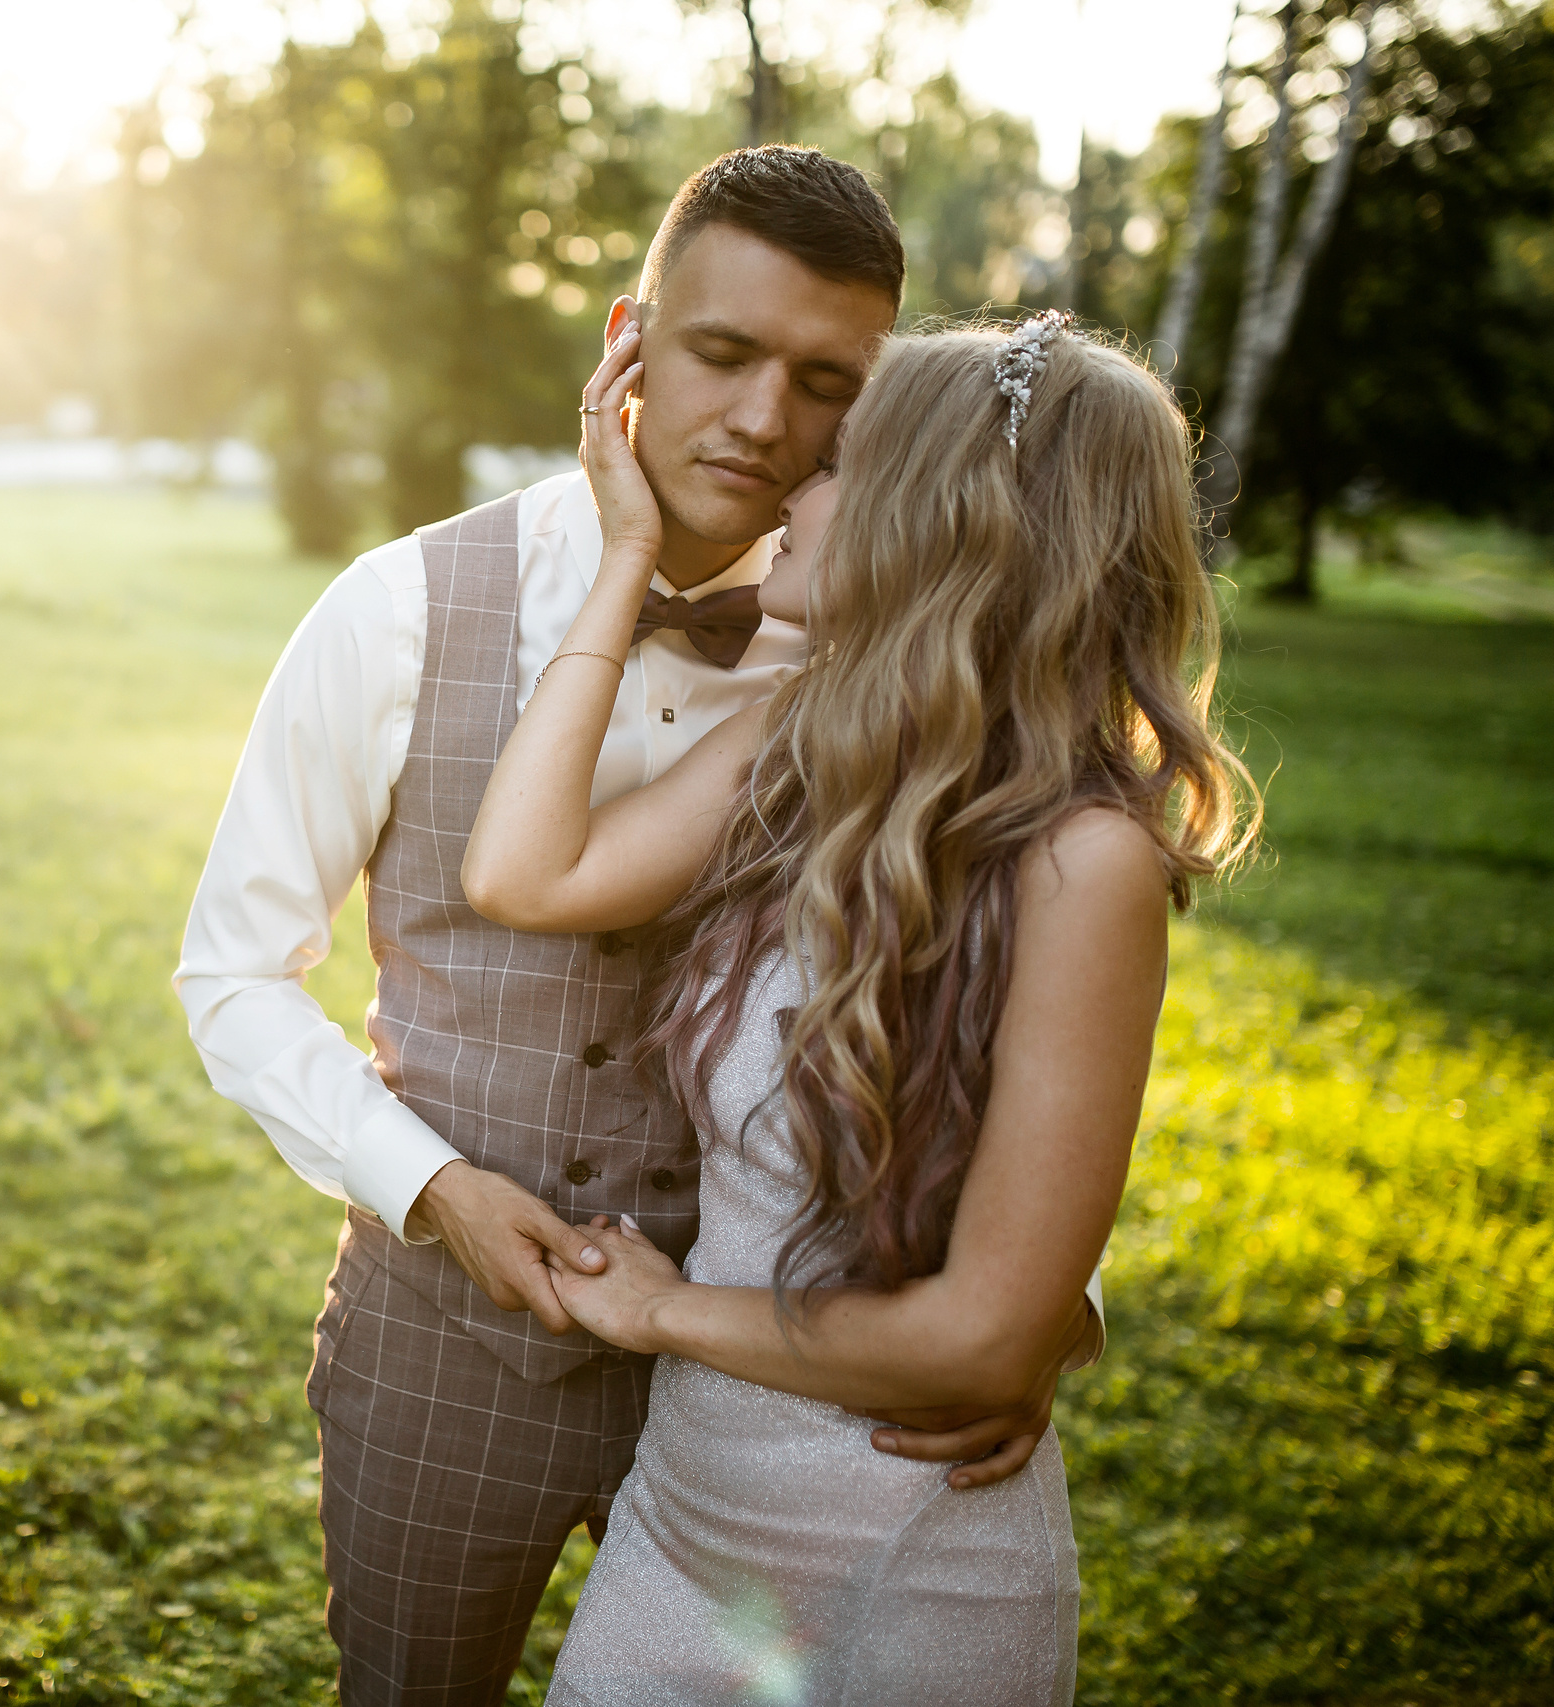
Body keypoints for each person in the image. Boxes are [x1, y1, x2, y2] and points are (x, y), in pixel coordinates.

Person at [176, 148, 1096, 1706]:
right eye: (722, 354)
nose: (761, 419)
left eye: (826, 383)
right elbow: (235, 977)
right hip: (445, 1356)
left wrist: (1022, 1322)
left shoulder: (876, 668)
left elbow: (1007, 1024)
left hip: (769, 1396)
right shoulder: (397, 612)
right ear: (633, 339)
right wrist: (436, 1188)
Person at [457, 311, 1256, 1702]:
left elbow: (983, 1337)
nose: (792, 488)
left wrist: (661, 1317)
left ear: (934, 521)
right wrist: (626, 554)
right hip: (679, 1534)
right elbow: (526, 872)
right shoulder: (805, 744)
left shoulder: (1084, 862)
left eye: (837, 468)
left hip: (908, 1561)